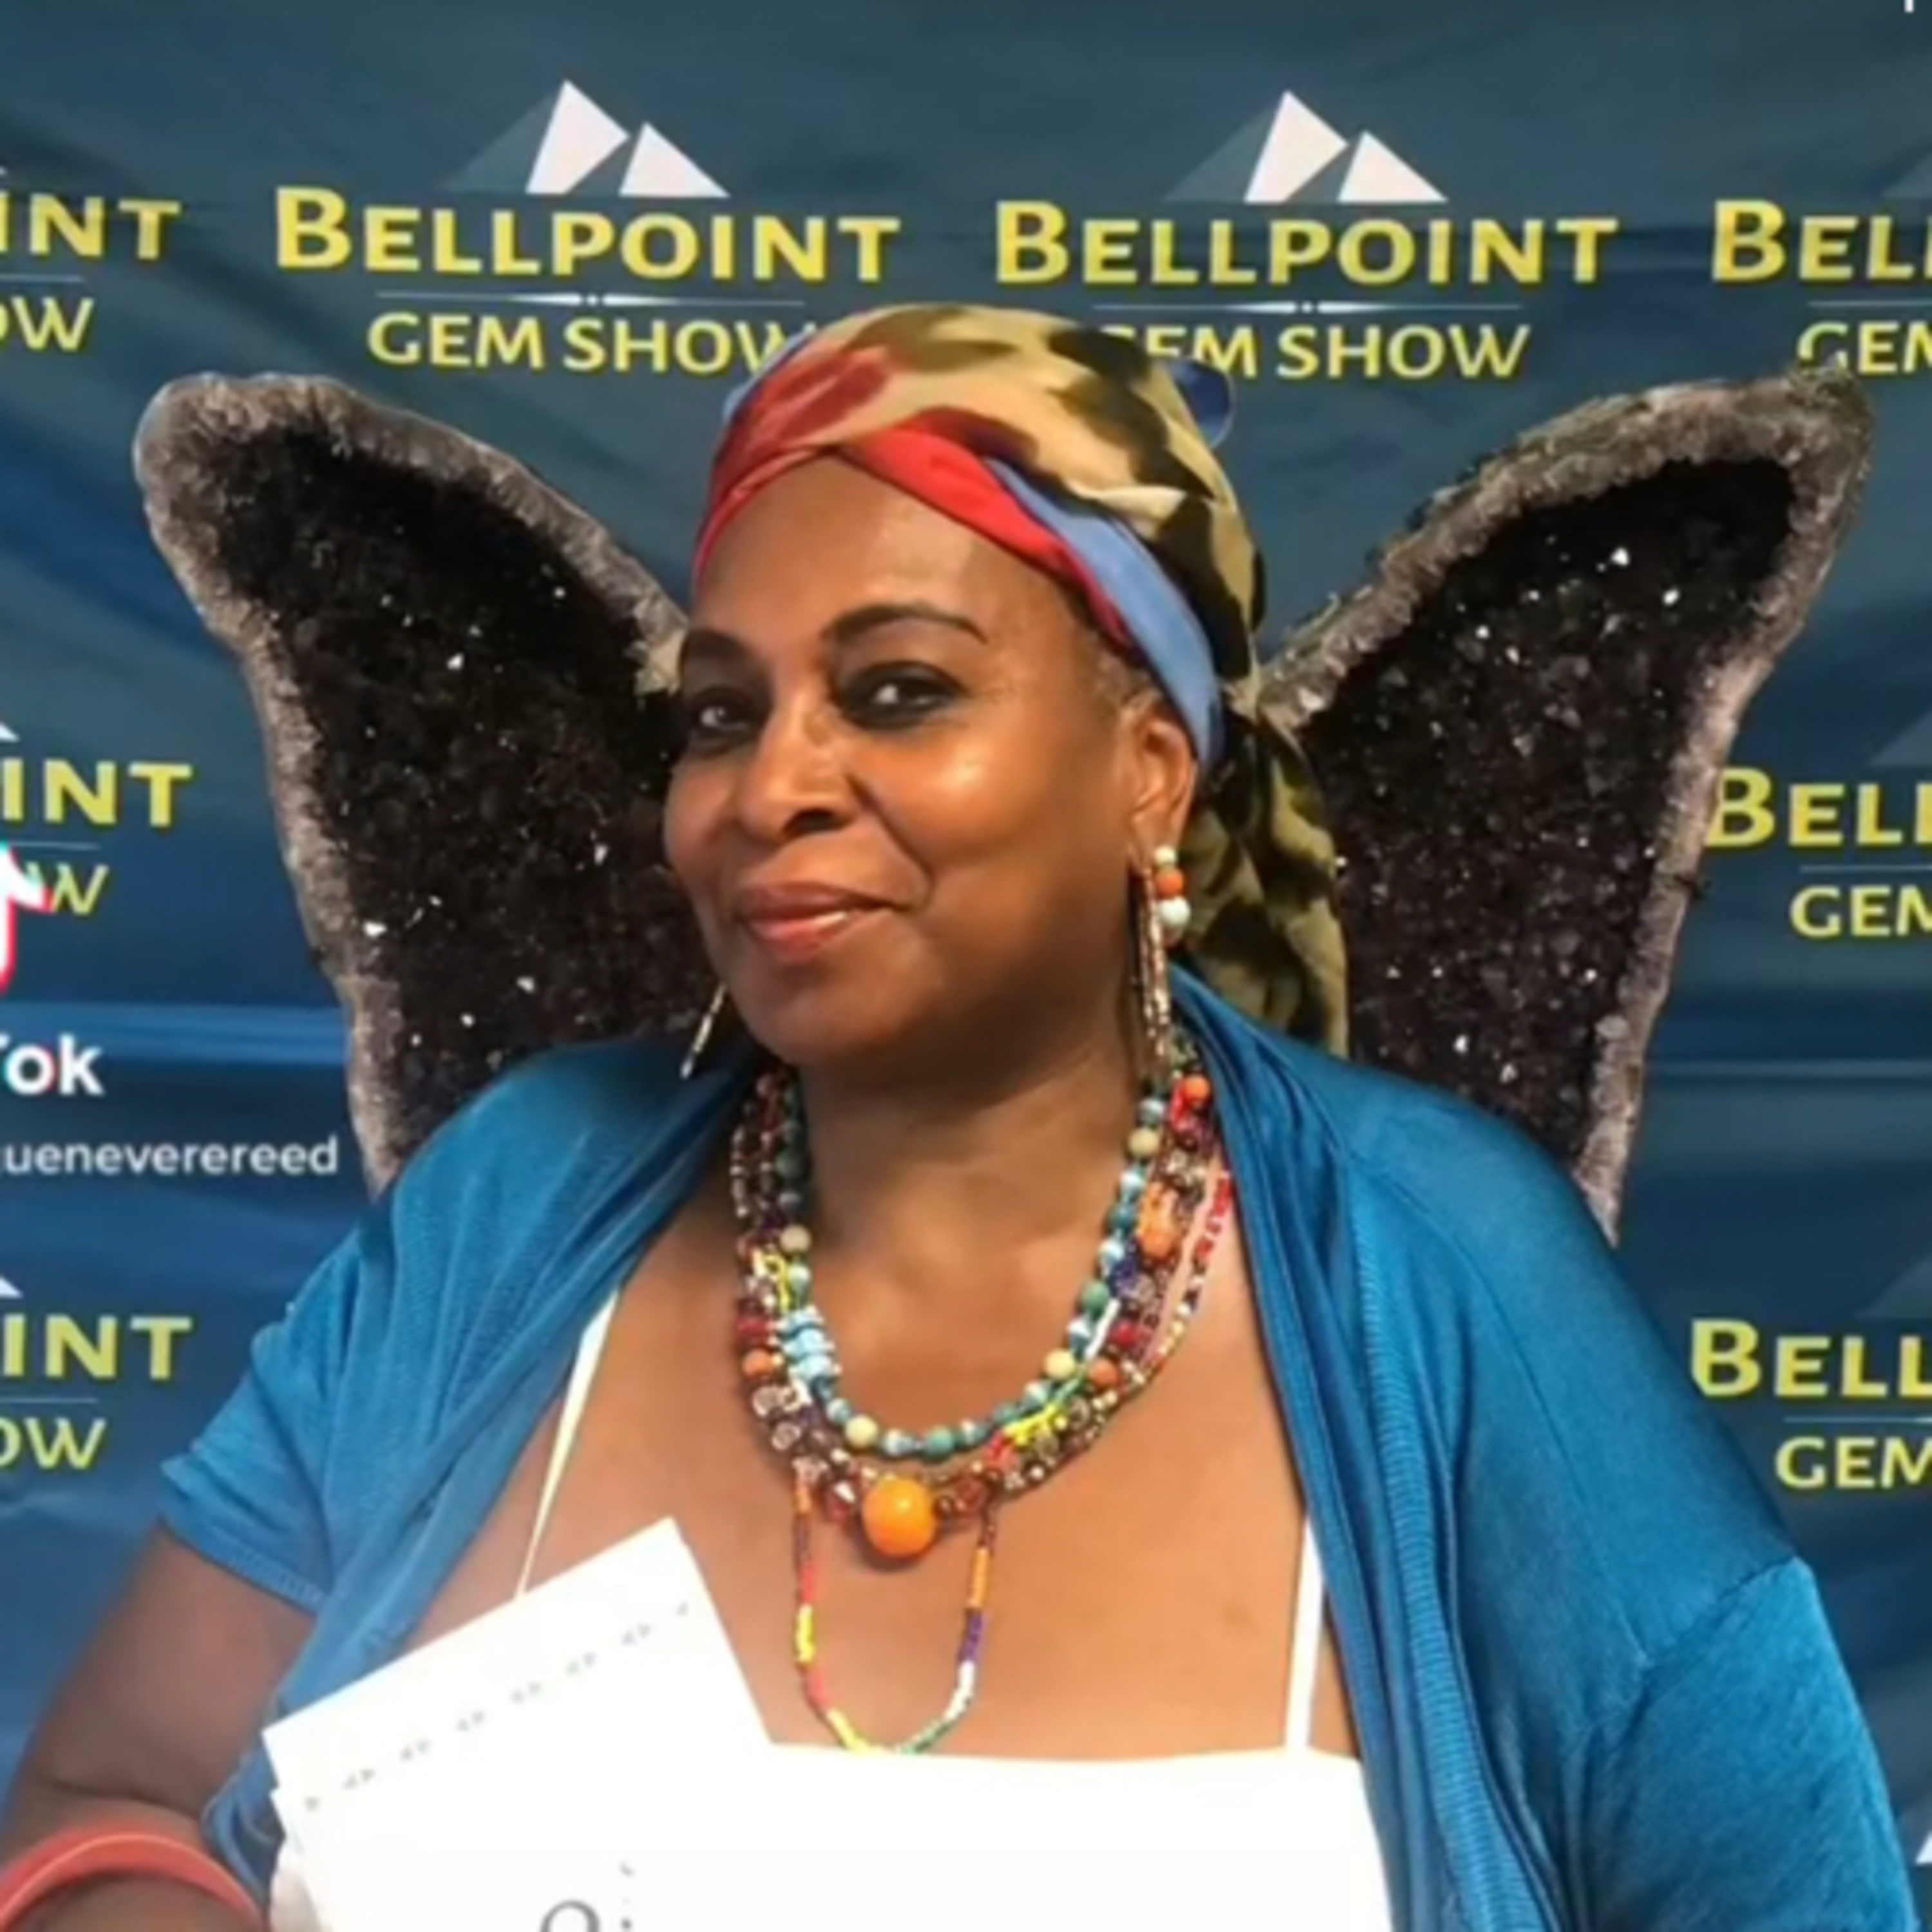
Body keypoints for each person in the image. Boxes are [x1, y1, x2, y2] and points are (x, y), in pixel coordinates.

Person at [0, 303, 1915, 1931]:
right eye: (722, 714)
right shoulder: (517, 1208)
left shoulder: (1447, 1279)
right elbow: (107, 1792)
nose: (772, 788)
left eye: (899, 692)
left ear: (1150, 769)